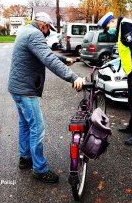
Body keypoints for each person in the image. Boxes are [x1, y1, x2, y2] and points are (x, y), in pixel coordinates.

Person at [8, 12, 84, 183]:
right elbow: (47, 58)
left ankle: (25, 158)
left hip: (17, 88)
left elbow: (42, 53)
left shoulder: (25, 30)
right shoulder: (35, 34)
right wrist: (74, 78)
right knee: (37, 127)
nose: (48, 32)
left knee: (25, 124)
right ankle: (39, 169)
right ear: (43, 25)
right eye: (48, 28)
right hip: (26, 90)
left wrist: (64, 59)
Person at [97, 12, 132, 145]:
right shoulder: (123, 27)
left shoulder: (126, 26)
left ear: (112, 22)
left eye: (107, 27)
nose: (108, 30)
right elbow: (126, 51)